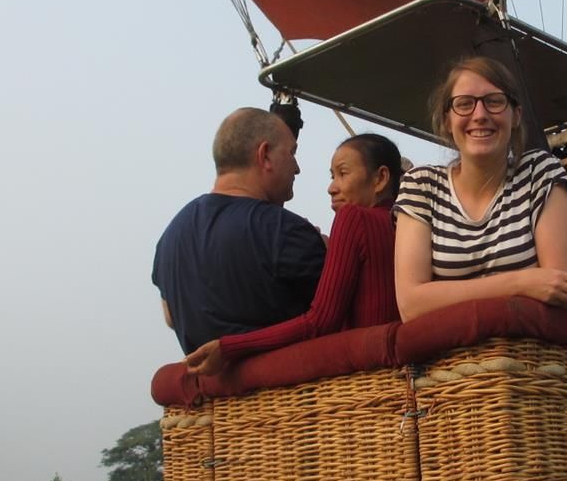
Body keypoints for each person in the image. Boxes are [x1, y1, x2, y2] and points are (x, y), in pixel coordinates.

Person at [181, 133, 403, 377]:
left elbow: (319, 323)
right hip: (401, 370)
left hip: (367, 379)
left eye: (343, 173)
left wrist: (229, 347)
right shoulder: (407, 225)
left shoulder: (352, 218)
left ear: (381, 178)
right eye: (332, 176)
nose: (331, 188)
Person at [393, 56, 567, 321]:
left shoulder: (540, 173)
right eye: (464, 104)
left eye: (494, 102)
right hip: (448, 360)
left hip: (533, 357)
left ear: (516, 115)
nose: (480, 115)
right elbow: (411, 305)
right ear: (447, 120)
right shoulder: (421, 186)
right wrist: (520, 283)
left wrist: (442, 296)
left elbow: (562, 290)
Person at [151, 107, 325, 353]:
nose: (297, 168)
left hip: (215, 391)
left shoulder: (170, 236)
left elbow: (171, 316)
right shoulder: (284, 231)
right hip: (299, 389)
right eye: (292, 153)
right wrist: (334, 252)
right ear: (264, 155)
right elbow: (340, 312)